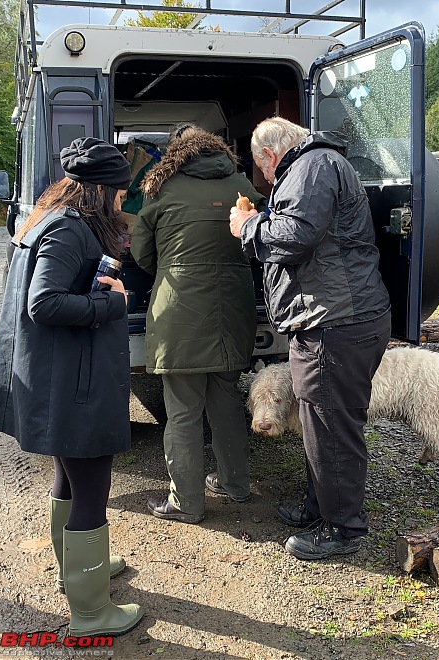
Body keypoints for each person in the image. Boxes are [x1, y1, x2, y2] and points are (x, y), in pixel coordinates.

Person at [0, 137, 143, 636]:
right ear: (98, 191)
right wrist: (112, 305)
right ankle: (91, 613)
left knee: (70, 477)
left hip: (60, 380)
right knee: (93, 490)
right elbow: (44, 303)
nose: (122, 201)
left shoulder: (51, 219)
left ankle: (72, 571)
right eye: (118, 193)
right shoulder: (70, 231)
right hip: (73, 385)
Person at [229, 117, 391, 561]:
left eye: (263, 171)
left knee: (333, 426)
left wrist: (247, 225)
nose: (265, 178)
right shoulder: (315, 165)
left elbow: (295, 236)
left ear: (268, 154)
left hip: (335, 322)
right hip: (330, 318)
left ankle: (343, 529)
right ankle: (320, 507)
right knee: (319, 424)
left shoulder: (312, 167)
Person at [130, 123, 264, 524]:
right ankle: (235, 485)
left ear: (176, 153)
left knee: (184, 411)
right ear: (218, 149)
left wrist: (170, 270)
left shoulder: (162, 187)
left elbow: (141, 251)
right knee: (226, 401)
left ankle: (186, 502)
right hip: (234, 306)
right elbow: (262, 238)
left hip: (179, 310)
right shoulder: (240, 183)